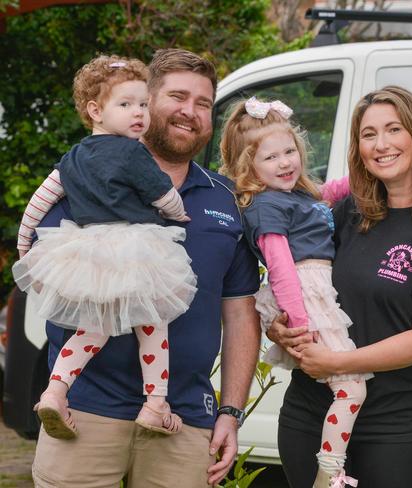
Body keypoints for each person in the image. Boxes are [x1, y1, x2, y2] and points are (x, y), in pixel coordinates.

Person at [28, 48, 260, 488]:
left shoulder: (225, 200)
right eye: (177, 96)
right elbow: (46, 272)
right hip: (85, 412)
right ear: (144, 101)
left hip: (183, 419)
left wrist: (230, 411)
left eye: (204, 103)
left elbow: (239, 312)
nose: (189, 112)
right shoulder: (84, 177)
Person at [267, 85, 412, 488]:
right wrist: (277, 326)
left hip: (394, 430)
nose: (381, 144)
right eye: (368, 135)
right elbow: (298, 284)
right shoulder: (342, 213)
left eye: (394, 130)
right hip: (308, 417)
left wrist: (338, 364)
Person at [13, 54, 195, 440]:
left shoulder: (72, 157)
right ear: (95, 110)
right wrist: (179, 215)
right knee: (153, 323)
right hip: (137, 249)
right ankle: (155, 402)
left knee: (91, 329)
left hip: (88, 252)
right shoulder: (133, 153)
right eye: (126, 104)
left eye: (143, 104)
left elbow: (39, 201)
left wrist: (24, 243)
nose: (139, 114)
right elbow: (163, 194)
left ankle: (55, 391)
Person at [219, 96, 373, 488]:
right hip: (305, 292)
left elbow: (331, 192)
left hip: (314, 288)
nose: (285, 162)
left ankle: (331, 468)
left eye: (290, 151)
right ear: (247, 166)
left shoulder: (295, 195)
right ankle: (331, 472)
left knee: (348, 386)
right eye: (271, 158)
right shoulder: (266, 206)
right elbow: (280, 267)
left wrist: (369, 170)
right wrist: (301, 322)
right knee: (351, 386)